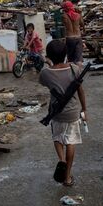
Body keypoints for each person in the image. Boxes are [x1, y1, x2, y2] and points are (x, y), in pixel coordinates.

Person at [39, 39, 87, 186]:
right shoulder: (75, 69)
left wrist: (48, 63)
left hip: (56, 113)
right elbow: (80, 91)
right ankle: (67, 177)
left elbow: (46, 79)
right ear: (66, 54)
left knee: (57, 137)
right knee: (70, 142)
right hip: (72, 113)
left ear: (49, 56)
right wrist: (84, 109)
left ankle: (61, 159)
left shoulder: (45, 73)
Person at [62, 0, 84, 67]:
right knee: (79, 59)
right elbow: (82, 24)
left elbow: (65, 26)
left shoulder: (64, 16)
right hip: (78, 37)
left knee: (71, 59)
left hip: (70, 38)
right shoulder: (78, 15)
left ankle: (72, 74)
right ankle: (79, 74)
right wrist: (79, 13)